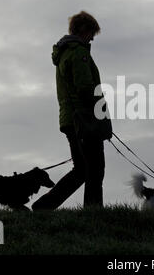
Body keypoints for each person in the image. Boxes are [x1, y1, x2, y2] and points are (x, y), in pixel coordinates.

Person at [32, 11, 112, 210]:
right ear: (84, 29)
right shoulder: (78, 53)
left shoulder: (65, 53)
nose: (93, 38)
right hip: (83, 120)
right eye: (92, 32)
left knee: (81, 170)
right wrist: (100, 113)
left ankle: (44, 206)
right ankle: (93, 213)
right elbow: (85, 88)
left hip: (70, 120)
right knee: (94, 170)